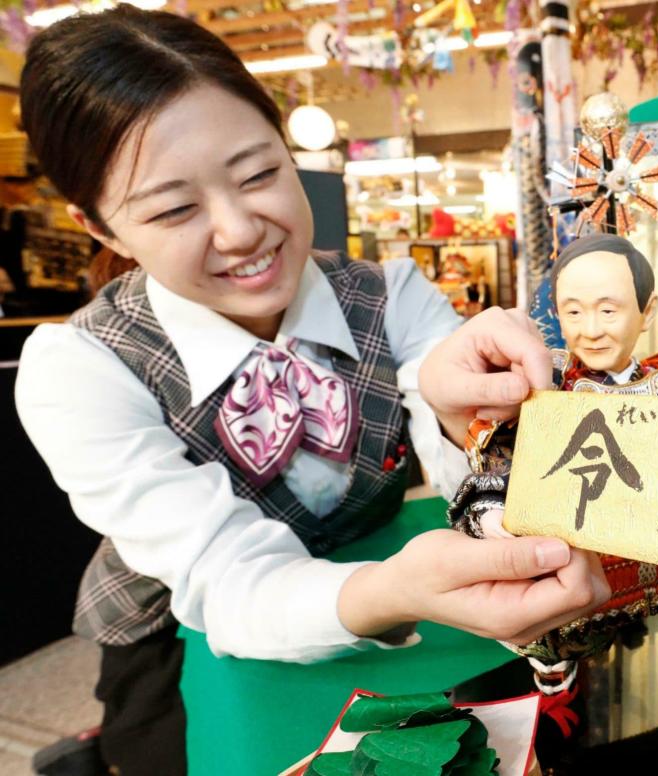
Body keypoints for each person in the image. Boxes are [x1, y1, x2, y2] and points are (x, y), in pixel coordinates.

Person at [14, 9, 607, 775]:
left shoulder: (391, 294)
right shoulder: (80, 367)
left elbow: (466, 460)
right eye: (173, 209)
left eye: (259, 173)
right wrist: (392, 587)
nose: (239, 231)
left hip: (410, 602)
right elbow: (224, 580)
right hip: (180, 645)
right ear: (100, 228)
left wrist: (476, 424)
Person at [448, 234, 658, 725]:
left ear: (646, 311)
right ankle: (555, 685)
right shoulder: (536, 397)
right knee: (556, 627)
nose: (590, 330)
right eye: (573, 312)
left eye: (608, 311)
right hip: (583, 556)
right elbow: (499, 463)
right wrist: (495, 512)